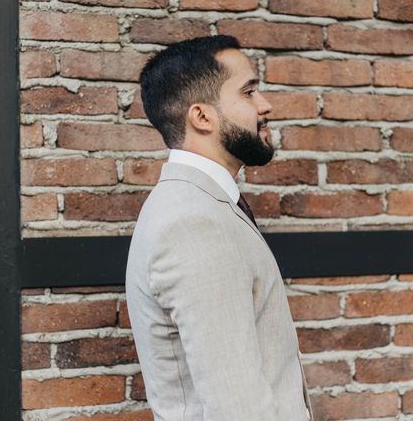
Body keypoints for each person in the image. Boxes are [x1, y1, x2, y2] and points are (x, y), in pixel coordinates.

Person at [125, 35, 313, 420]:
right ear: (202, 117)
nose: (266, 105)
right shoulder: (193, 223)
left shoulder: (203, 205)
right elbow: (237, 408)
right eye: (249, 92)